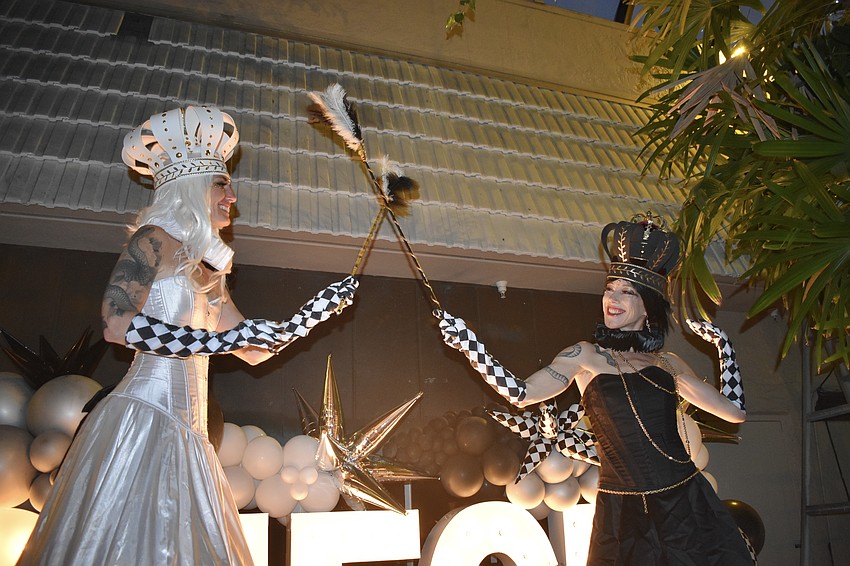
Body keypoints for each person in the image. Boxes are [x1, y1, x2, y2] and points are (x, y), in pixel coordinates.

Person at [18, 106, 358, 565]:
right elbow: (117, 324)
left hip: (193, 436)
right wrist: (216, 342)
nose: (232, 196)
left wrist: (316, 313)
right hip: (143, 418)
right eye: (223, 184)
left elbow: (255, 349)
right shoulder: (152, 240)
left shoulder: (210, 274)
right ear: (191, 187)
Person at [434, 212, 756, 565]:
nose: (612, 299)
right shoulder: (585, 356)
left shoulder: (669, 363)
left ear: (648, 306)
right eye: (609, 289)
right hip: (623, 514)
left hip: (685, 501)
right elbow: (520, 392)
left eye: (626, 292)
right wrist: (469, 346)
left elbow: (734, 412)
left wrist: (724, 346)